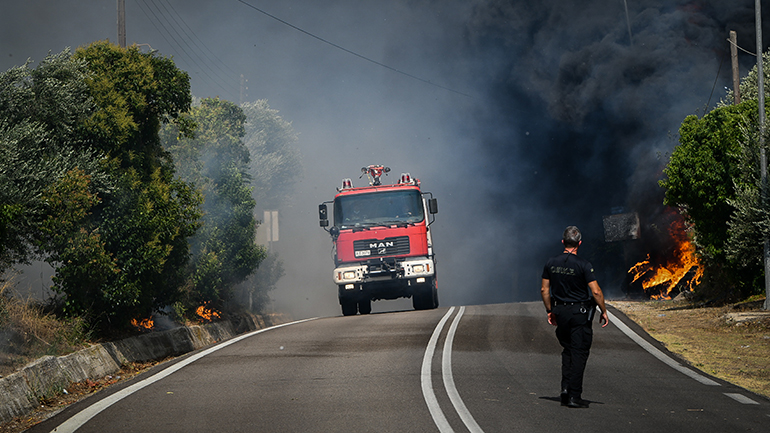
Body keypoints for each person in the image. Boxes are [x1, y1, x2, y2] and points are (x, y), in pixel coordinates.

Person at [540, 225, 609, 408]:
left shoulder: (551, 263)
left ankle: (565, 389)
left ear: (563, 242)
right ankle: (574, 396)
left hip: (560, 311)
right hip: (579, 313)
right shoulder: (584, 265)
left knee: (568, 349)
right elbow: (596, 291)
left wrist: (549, 310)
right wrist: (603, 310)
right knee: (579, 352)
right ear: (579, 243)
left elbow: (544, 290)